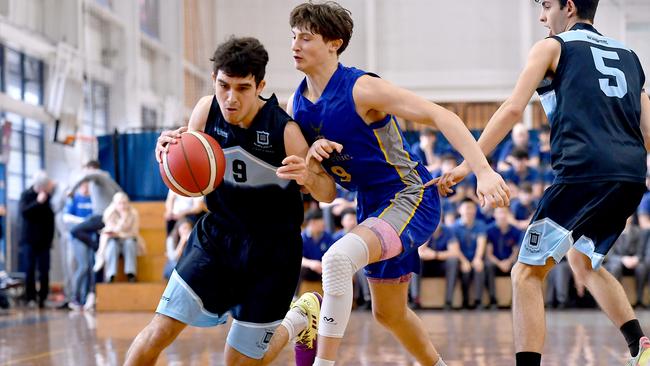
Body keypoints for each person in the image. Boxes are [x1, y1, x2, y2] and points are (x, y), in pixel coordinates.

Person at [288, 2, 510, 365]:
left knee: (337, 260)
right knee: (388, 313)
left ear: (334, 43)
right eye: (293, 37)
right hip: (372, 207)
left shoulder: (362, 89)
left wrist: (481, 170)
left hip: (409, 197)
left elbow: (441, 115)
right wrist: (311, 160)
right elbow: (326, 195)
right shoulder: (297, 106)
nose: (295, 45)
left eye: (306, 37)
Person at [436, 0, 650, 364]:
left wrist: (466, 166)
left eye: (547, 5)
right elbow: (648, 129)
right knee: (583, 262)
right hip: (630, 174)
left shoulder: (554, 46)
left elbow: (513, 109)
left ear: (568, 6)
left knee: (525, 274)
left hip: (584, 171)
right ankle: (641, 348)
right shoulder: (629, 53)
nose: (541, 16)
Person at [124, 37, 336, 366]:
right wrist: (168, 157)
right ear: (214, 80)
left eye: (242, 88)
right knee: (155, 335)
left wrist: (309, 177)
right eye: (224, 85)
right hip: (217, 239)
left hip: (272, 252)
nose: (230, 98)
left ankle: (297, 319)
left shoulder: (284, 131)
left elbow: (328, 193)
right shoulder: (206, 111)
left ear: (260, 85)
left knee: (240, 362)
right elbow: (192, 185)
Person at [19, 171, 56, 309]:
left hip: (44, 242)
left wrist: (50, 239)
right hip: (29, 240)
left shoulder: (48, 198)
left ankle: (43, 298)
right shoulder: (26, 195)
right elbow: (24, 212)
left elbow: (50, 220)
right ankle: (30, 298)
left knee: (44, 270)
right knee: (29, 269)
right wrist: (37, 202)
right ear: (40, 186)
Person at [95, 192, 142, 283]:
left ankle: (131, 274)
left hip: (129, 240)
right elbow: (111, 231)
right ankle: (111, 275)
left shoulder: (134, 214)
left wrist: (122, 223)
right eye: (120, 203)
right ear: (115, 204)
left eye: (124, 203)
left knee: (129, 243)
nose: (123, 206)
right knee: (112, 245)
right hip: (114, 241)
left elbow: (134, 232)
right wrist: (121, 227)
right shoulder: (109, 213)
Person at [485, 207, 521, 308]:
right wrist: (499, 263)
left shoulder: (515, 231)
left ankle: (515, 300)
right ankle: (493, 300)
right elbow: (489, 253)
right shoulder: (489, 230)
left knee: (519, 266)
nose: (502, 215)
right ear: (494, 215)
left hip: (510, 261)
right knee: (488, 266)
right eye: (499, 212)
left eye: (505, 212)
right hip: (495, 262)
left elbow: (515, 251)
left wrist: (509, 262)